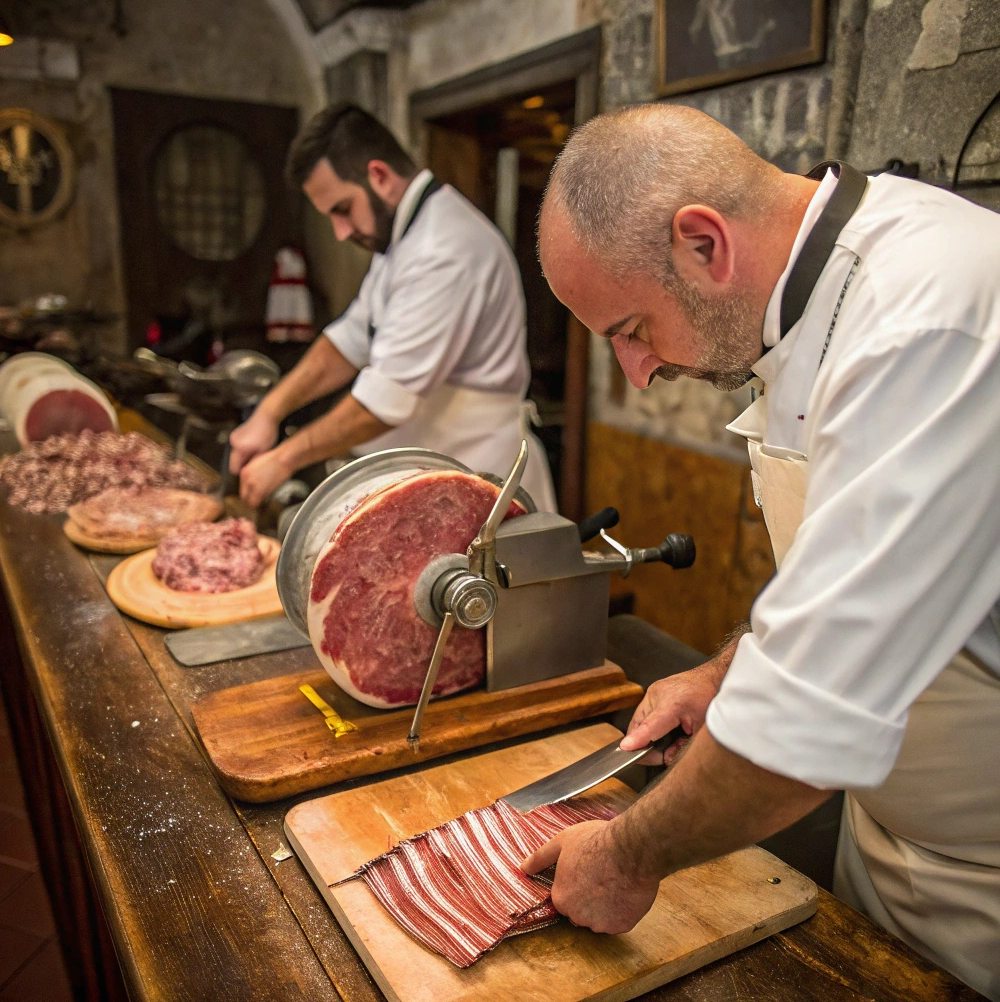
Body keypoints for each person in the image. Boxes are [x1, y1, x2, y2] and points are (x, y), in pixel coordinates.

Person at [523, 104, 1000, 1000]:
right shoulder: (806, 313)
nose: (638, 371)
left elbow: (808, 722)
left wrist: (626, 857)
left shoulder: (926, 321)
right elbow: (859, 587)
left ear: (705, 243)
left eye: (630, 329)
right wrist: (727, 672)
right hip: (883, 843)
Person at [229, 104, 556, 512]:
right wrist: (268, 413)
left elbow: (385, 402)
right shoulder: (404, 237)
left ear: (379, 176)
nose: (341, 231)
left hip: (477, 480)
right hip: (431, 475)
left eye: (343, 210)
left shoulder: (443, 248)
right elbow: (349, 340)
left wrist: (282, 459)